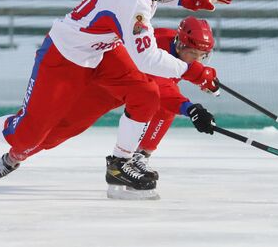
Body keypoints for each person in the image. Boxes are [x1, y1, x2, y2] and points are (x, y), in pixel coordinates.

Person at [0, 0, 232, 191]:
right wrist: (194, 71)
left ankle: (119, 164)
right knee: (28, 136)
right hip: (64, 58)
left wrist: (191, 0)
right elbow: (146, 58)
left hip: (103, 51)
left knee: (146, 93)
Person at [22, 16, 218, 200]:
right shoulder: (158, 47)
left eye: (203, 56)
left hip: (132, 92)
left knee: (163, 107)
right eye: (193, 54)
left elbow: (175, 81)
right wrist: (190, 109)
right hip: (104, 87)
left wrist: (203, 78)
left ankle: (140, 157)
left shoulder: (178, 49)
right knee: (57, 131)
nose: (197, 61)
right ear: (180, 43)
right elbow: (161, 86)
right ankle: (12, 148)